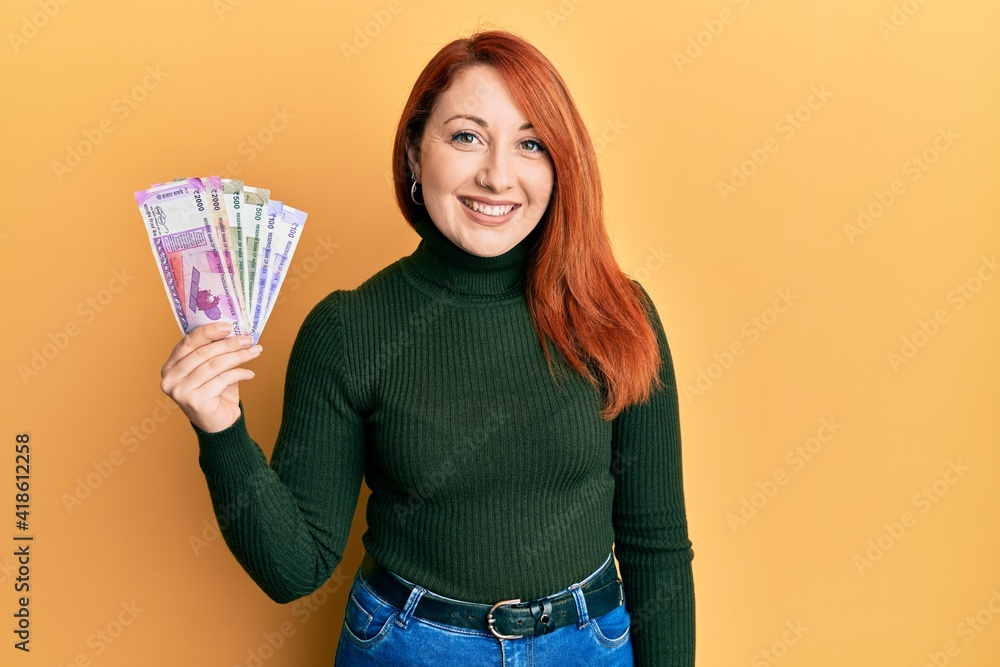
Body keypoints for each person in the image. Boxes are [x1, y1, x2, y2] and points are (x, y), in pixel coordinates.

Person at [159, 28, 694, 666]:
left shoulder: (617, 313)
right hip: (408, 647)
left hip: (589, 645)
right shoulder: (347, 330)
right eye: (466, 136)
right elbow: (294, 568)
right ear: (415, 154)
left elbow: (656, 545)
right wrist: (220, 428)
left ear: (559, 165)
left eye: (530, 144)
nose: (497, 175)